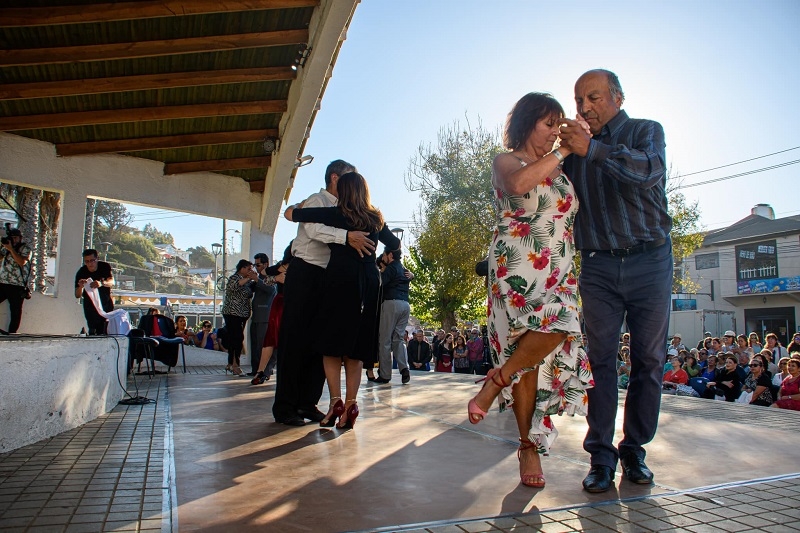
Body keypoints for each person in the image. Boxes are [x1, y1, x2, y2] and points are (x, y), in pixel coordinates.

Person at [469, 92, 592, 490]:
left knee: (558, 328)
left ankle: (495, 382)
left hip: (559, 269)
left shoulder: (561, 170)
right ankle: (527, 446)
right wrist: (562, 150)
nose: (556, 131)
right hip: (518, 266)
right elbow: (520, 185)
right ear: (526, 124)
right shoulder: (508, 159)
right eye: (548, 123)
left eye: (559, 123)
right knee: (529, 360)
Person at [559, 69, 671, 493]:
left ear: (618, 97)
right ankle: (601, 456)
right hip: (599, 267)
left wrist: (594, 148)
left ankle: (634, 450)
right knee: (601, 362)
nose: (585, 107)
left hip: (650, 259)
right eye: (579, 100)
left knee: (649, 360)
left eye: (594, 97)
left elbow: (649, 172)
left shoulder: (646, 132)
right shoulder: (572, 151)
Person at [284, 171, 400, 429]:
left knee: (331, 344)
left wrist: (297, 207)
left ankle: (335, 401)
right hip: (369, 281)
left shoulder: (337, 213)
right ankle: (351, 405)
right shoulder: (376, 217)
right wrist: (380, 258)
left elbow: (293, 216)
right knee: (356, 347)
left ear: (344, 191)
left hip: (339, 280)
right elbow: (395, 244)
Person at [273, 160, 375, 427]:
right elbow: (313, 229)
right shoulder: (317, 200)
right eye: (349, 179)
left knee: (321, 343)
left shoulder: (345, 209)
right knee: (294, 340)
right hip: (306, 272)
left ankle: (308, 402)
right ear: (335, 178)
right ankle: (285, 407)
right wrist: (347, 237)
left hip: (330, 278)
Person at [251, 245, 289, 385]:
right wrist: (277, 278)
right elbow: (267, 277)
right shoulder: (279, 267)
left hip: (295, 304)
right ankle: (260, 372)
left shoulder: (304, 266)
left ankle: (266, 371)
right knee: (271, 338)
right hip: (281, 304)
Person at [375, 246, 411, 384]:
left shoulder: (391, 268)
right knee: (399, 339)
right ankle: (404, 368)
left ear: (390, 255)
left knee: (384, 340)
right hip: (405, 304)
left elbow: (379, 283)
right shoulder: (404, 269)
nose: (383, 257)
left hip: (391, 303)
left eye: (384, 255)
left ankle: (385, 374)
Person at [221, 259, 258, 376]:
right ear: (242, 268)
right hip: (233, 314)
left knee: (236, 339)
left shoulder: (247, 282)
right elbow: (234, 287)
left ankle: (231, 363)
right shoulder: (234, 278)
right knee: (236, 339)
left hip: (242, 314)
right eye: (248, 269)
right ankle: (235, 365)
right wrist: (248, 278)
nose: (250, 271)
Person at [248, 253, 278, 376]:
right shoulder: (258, 277)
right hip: (256, 316)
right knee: (255, 345)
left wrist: (257, 280)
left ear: (266, 264)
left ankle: (265, 371)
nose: (257, 267)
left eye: (258, 265)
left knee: (263, 345)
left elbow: (272, 290)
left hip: (265, 316)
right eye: (255, 265)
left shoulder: (271, 276)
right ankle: (256, 370)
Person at [75, 249, 115, 335]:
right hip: (90, 307)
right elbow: (77, 295)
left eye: (92, 260)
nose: (90, 264)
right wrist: (81, 286)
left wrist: (102, 283)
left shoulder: (104, 267)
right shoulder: (81, 272)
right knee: (93, 331)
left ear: (97, 259)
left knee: (106, 330)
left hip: (106, 305)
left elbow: (112, 282)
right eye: (87, 261)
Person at [0, 227, 31, 334]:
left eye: (15, 238)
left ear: (20, 238)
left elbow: (21, 262)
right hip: (3, 283)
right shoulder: (6, 248)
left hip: (17, 285)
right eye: (12, 238)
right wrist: (3, 246)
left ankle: (12, 334)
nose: (14, 240)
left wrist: (11, 250)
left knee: (16, 312)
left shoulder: (25, 248)